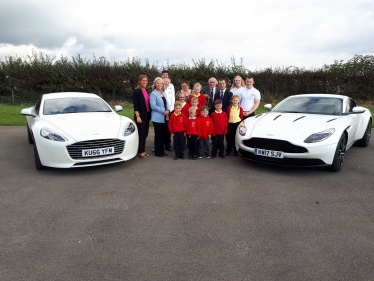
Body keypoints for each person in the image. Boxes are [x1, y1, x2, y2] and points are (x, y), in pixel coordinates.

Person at [150, 77, 171, 157]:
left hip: (165, 117)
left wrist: (168, 110)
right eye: (158, 83)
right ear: (155, 84)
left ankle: (162, 150)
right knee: (158, 135)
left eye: (161, 83)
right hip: (157, 118)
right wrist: (163, 111)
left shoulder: (164, 93)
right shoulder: (153, 94)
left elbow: (167, 103)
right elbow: (153, 106)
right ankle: (158, 151)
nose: (159, 84)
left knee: (163, 134)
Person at [133, 74, 151, 159]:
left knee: (145, 134)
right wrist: (137, 116)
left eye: (146, 81)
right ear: (139, 81)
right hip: (140, 116)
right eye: (143, 80)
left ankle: (143, 150)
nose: (145, 82)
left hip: (147, 115)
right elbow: (135, 105)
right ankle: (140, 151)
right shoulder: (137, 91)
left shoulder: (146, 91)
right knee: (141, 134)